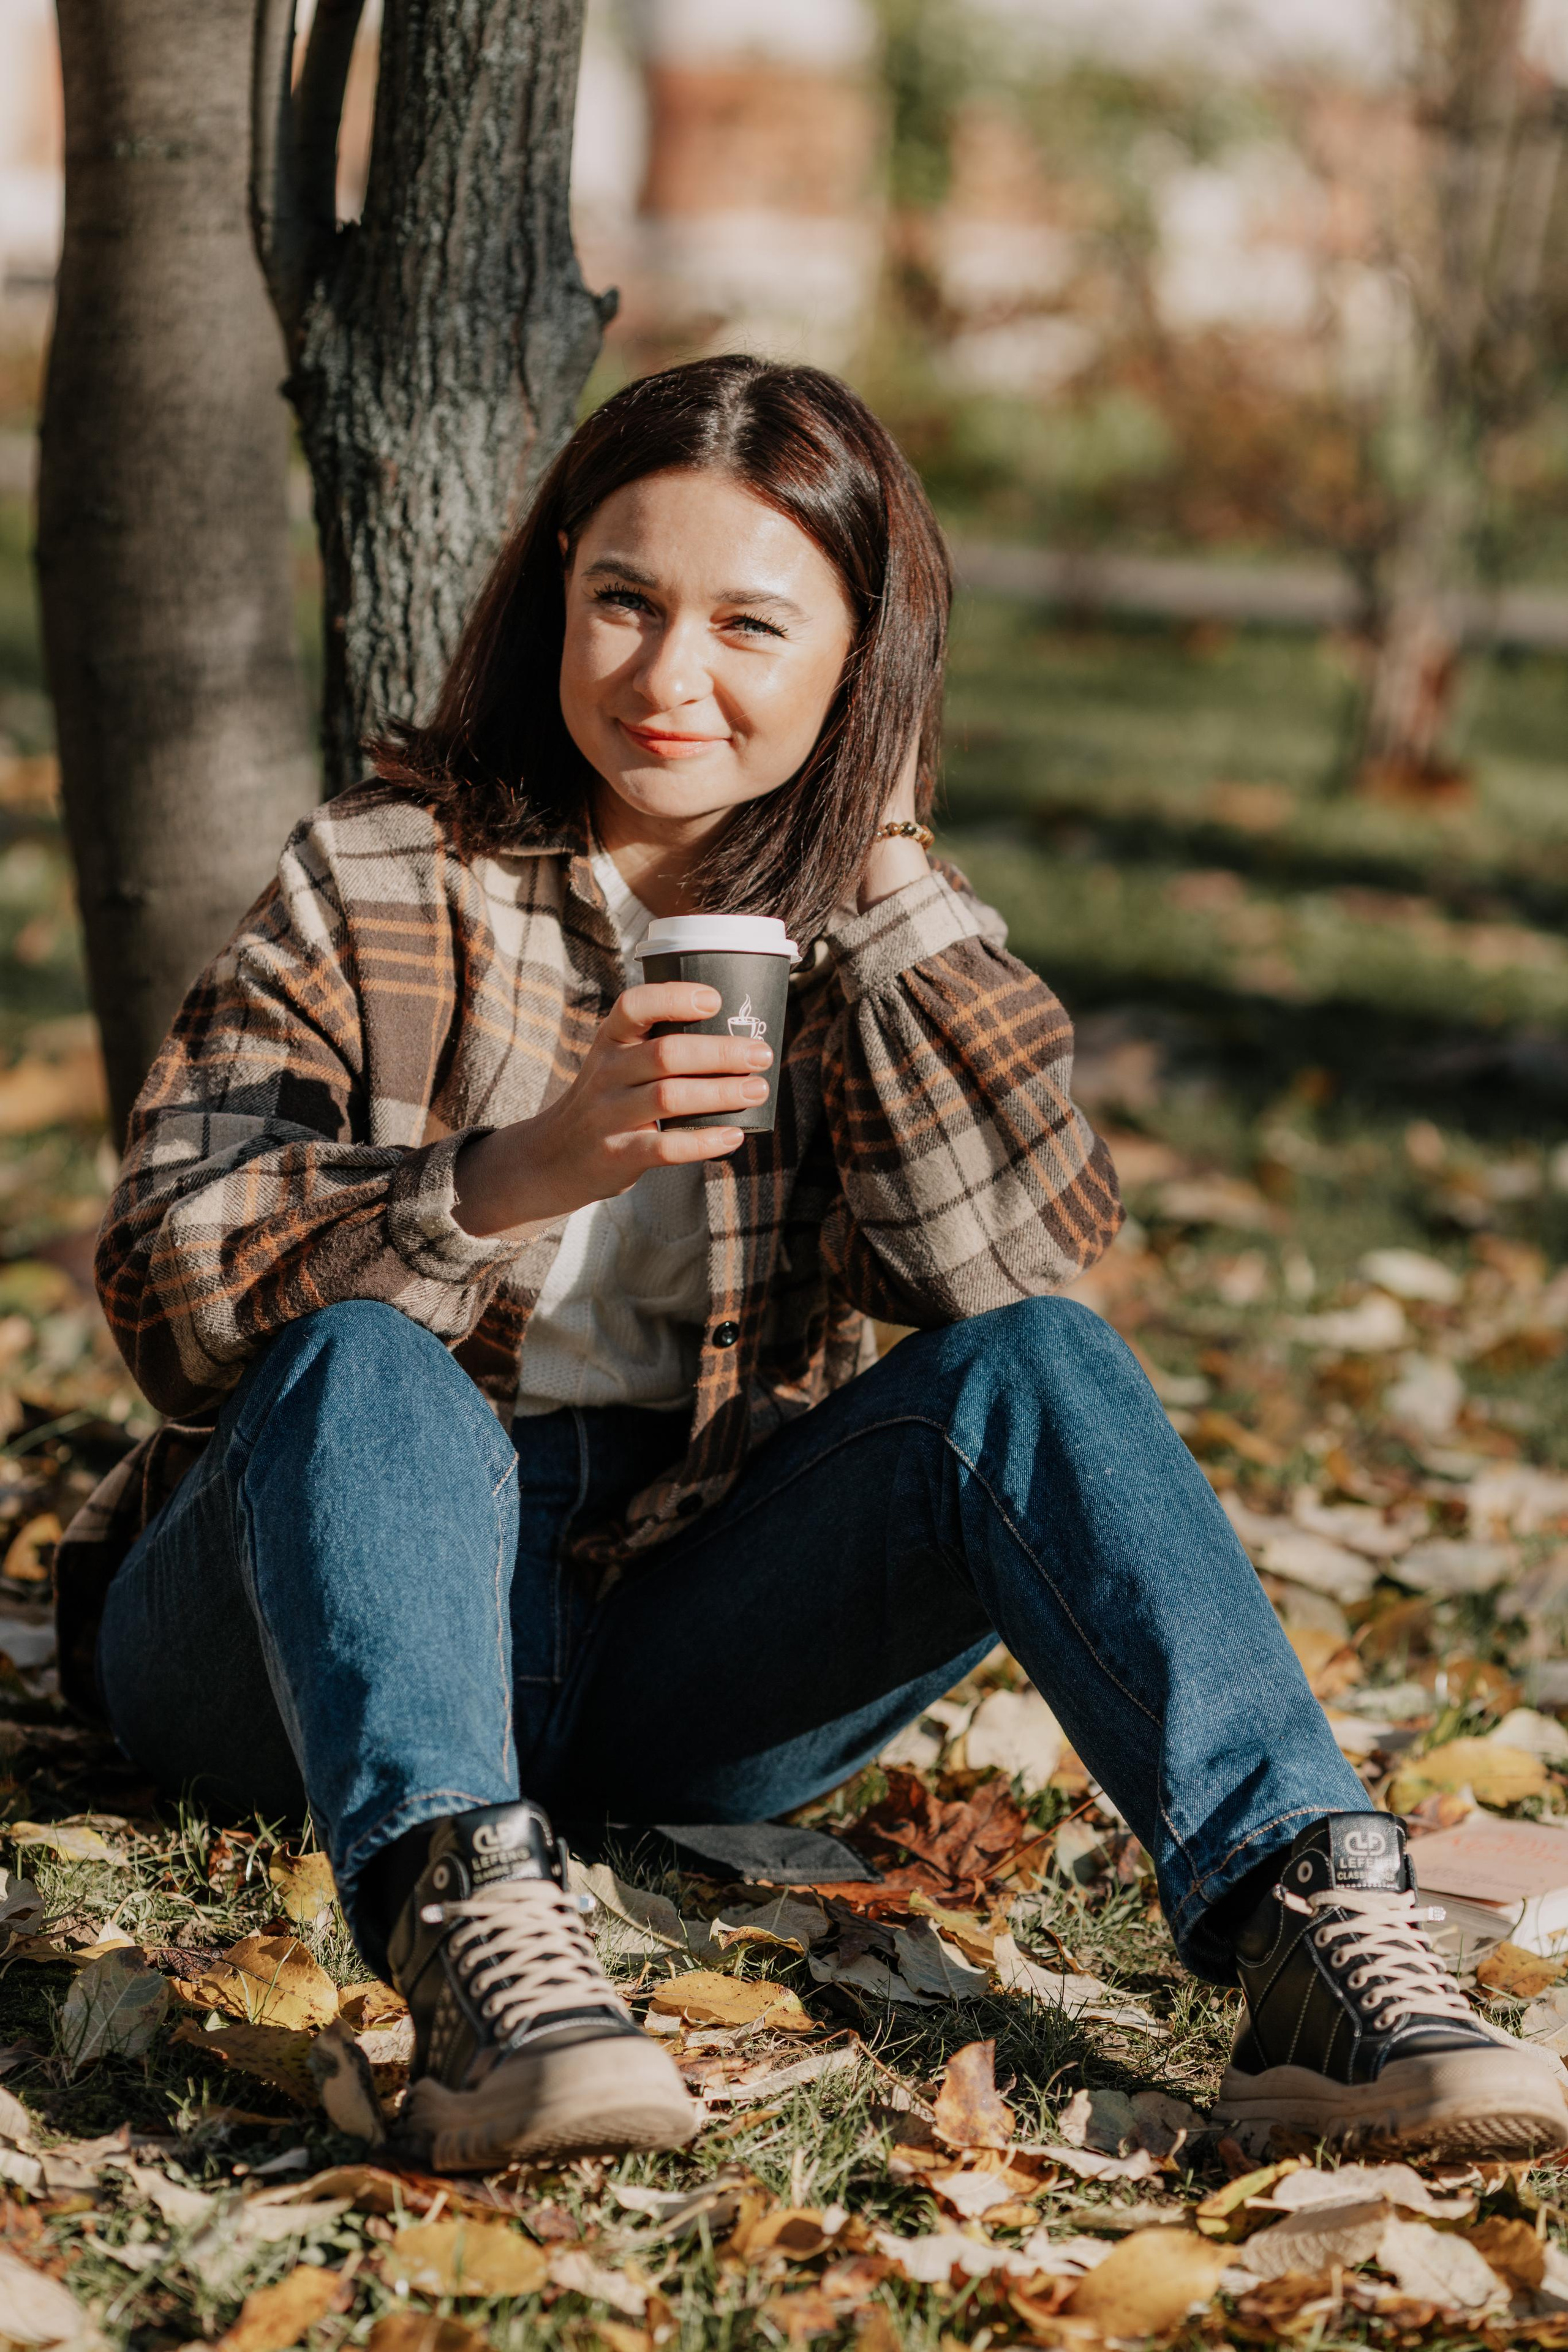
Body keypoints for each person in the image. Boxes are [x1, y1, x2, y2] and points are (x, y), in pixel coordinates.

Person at [62, 356, 1565, 2174]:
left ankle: (1320, 1936)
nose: (668, 676)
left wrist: (884, 876)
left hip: (678, 1632)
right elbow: (161, 1288)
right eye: (623, 601)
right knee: (368, 1357)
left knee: (1041, 1371)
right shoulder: (385, 869)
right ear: (556, 591)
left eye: (751, 627)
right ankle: (480, 1964)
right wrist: (513, 1173)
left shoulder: (875, 925)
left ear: (862, 660)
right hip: (290, 1632)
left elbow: (1011, 1271)